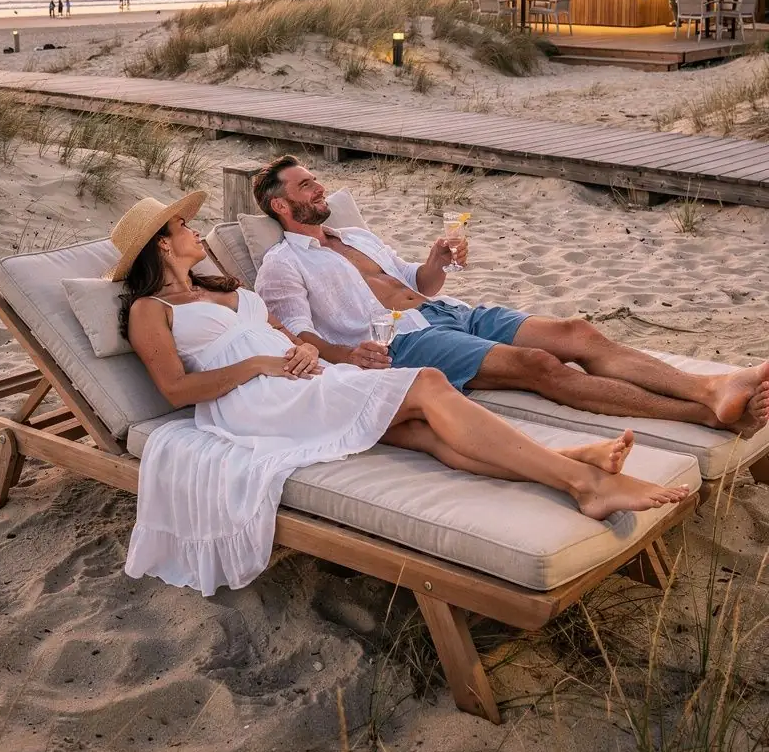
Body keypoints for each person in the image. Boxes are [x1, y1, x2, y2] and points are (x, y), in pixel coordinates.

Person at [115, 192, 692, 593]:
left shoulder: (222, 287)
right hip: (254, 400)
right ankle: (582, 481)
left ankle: (570, 460)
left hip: (297, 377)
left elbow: (288, 335)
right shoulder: (151, 309)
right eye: (183, 227)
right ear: (163, 246)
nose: (194, 230)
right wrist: (266, 363)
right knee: (428, 383)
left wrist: (307, 350)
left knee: (420, 431)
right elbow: (175, 391)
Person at [253, 157, 769, 435]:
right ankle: (703, 414)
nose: (319, 190)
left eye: (316, 181)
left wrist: (435, 262)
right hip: (407, 345)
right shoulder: (282, 263)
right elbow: (299, 337)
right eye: (305, 187)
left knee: (577, 333)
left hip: (444, 312)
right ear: (280, 205)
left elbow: (416, 282)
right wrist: (351, 354)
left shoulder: (355, 237)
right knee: (540, 365)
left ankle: (708, 388)